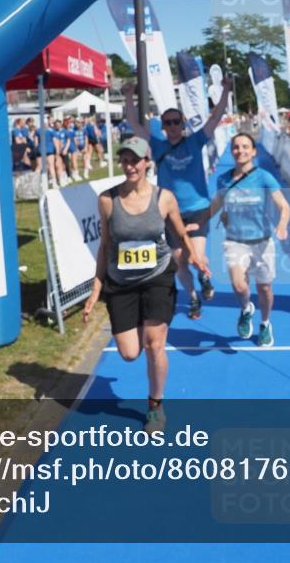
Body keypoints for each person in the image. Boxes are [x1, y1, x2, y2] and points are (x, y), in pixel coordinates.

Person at [82, 137, 210, 434]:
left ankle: (155, 406)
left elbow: (179, 233)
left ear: (146, 163)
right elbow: (104, 246)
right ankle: (138, 325)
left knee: (155, 345)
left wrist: (195, 259)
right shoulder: (107, 200)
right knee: (129, 353)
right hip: (122, 283)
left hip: (157, 278)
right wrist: (95, 290)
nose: (130, 166)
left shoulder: (163, 198)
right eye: (125, 160)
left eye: (135, 160)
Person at [123, 77, 233, 319]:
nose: (172, 126)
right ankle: (193, 297)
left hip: (198, 208)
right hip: (170, 211)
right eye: (167, 122)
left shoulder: (195, 140)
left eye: (176, 121)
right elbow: (133, 122)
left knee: (196, 255)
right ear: (163, 126)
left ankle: (204, 276)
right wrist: (129, 96)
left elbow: (215, 118)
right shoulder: (157, 144)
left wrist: (225, 91)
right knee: (179, 260)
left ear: (182, 123)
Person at [202, 133, 290, 346]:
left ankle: (265, 323)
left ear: (253, 151)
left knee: (265, 289)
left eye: (245, 147)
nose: (240, 151)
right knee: (240, 287)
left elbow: (284, 206)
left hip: (262, 241)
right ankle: (246, 309)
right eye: (236, 147)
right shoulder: (224, 179)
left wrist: (282, 224)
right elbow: (216, 205)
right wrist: (197, 222)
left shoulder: (264, 177)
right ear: (232, 151)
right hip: (234, 241)